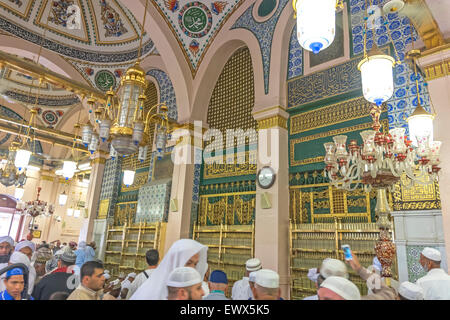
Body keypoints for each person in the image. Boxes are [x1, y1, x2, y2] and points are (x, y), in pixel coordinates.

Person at [130, 239, 208, 300]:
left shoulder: (198, 290)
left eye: (195, 264)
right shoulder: (153, 291)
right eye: (188, 263)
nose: (193, 268)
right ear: (175, 262)